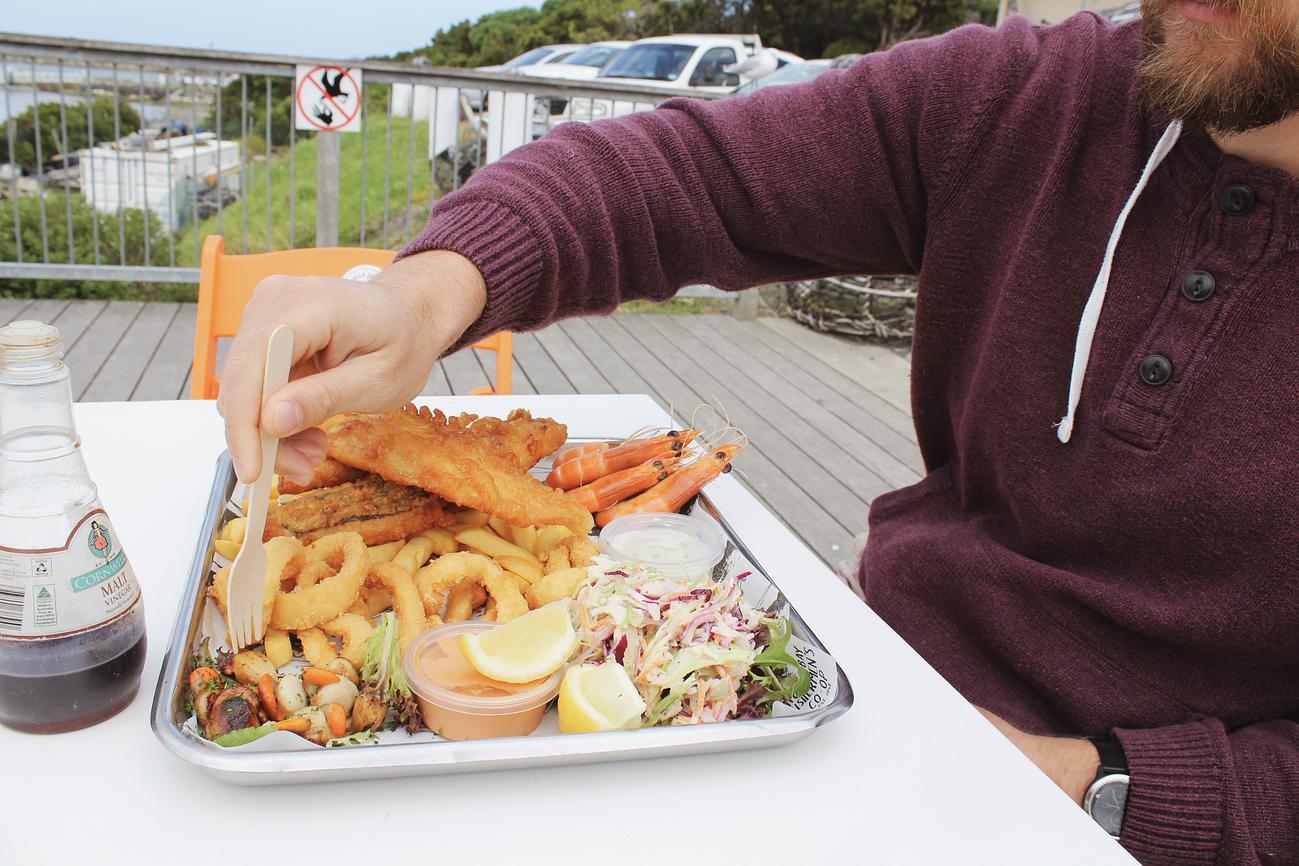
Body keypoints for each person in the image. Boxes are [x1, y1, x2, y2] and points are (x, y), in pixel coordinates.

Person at [220, 0, 1299, 861]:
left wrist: (1098, 786)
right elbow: (679, 173)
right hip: (842, 697)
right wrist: (426, 295)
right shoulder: (1025, 97)